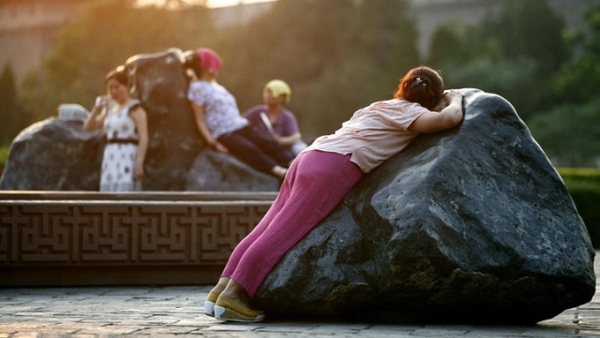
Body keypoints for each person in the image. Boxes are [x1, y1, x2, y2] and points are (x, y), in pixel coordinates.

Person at [203, 66, 464, 323]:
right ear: (433, 98)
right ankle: (233, 297)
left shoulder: (378, 106)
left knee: (266, 227)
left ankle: (218, 292)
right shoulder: (412, 113)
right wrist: (455, 99)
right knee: (282, 233)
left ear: (404, 86)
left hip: (309, 156)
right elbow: (449, 119)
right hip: (332, 166)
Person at [186, 47, 294, 179]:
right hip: (224, 132)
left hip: (240, 125)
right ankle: (279, 172)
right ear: (208, 67)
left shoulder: (218, 86)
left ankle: (294, 164)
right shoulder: (197, 87)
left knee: (269, 144)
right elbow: (200, 120)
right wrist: (212, 143)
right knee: (249, 149)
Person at [83, 66, 149, 191]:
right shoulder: (110, 108)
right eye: (110, 88)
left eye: (117, 87)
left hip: (128, 154)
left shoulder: (135, 108)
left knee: (125, 189)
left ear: (126, 86)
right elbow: (89, 127)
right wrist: (96, 110)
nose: (114, 91)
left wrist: (139, 162)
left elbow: (144, 136)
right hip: (111, 154)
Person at [243, 79, 307, 156]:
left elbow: (296, 136)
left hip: (280, 153)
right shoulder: (257, 112)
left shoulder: (287, 117)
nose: (267, 95)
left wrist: (280, 140)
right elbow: (241, 123)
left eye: (271, 92)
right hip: (258, 150)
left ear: (282, 98)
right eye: (267, 92)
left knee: (299, 147)